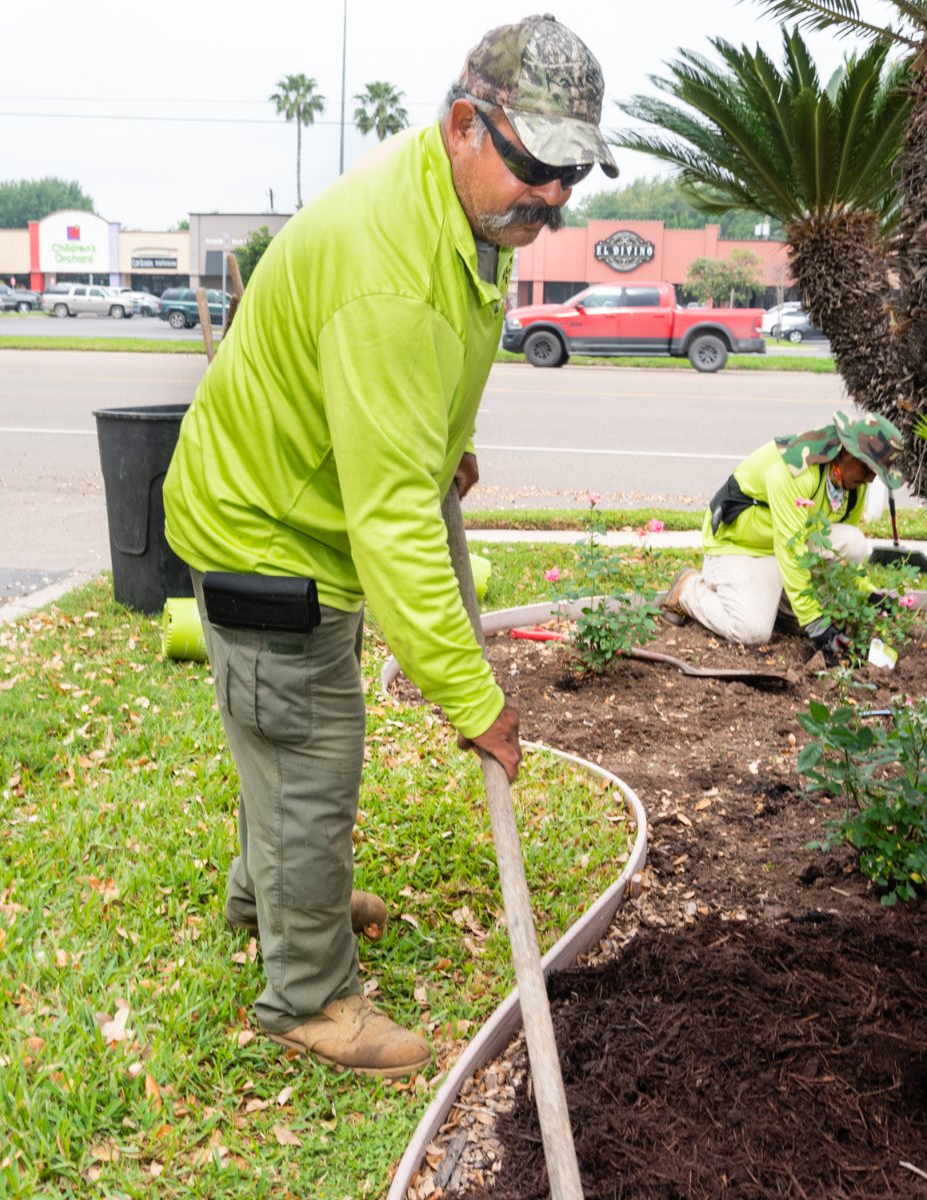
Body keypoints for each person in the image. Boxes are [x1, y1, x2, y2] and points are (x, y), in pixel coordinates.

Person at [163, 15, 618, 1079]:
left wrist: (444, 444)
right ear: (465, 125)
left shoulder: (462, 213)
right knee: (309, 747)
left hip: (299, 502)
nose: (554, 197)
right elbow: (394, 528)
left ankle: (274, 895)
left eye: (573, 175)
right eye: (538, 166)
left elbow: (433, 376)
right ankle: (308, 997)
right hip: (267, 535)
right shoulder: (393, 270)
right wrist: (478, 703)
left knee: (287, 743)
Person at [661, 411, 904, 663]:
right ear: (848, 451)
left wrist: (868, 594)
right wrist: (816, 624)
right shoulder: (796, 468)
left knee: (853, 541)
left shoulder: (852, 484)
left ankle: (783, 609)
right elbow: (791, 549)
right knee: (751, 631)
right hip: (739, 544)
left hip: (782, 546)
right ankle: (688, 590)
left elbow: (841, 561)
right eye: (869, 468)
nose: (871, 478)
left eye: (877, 473)